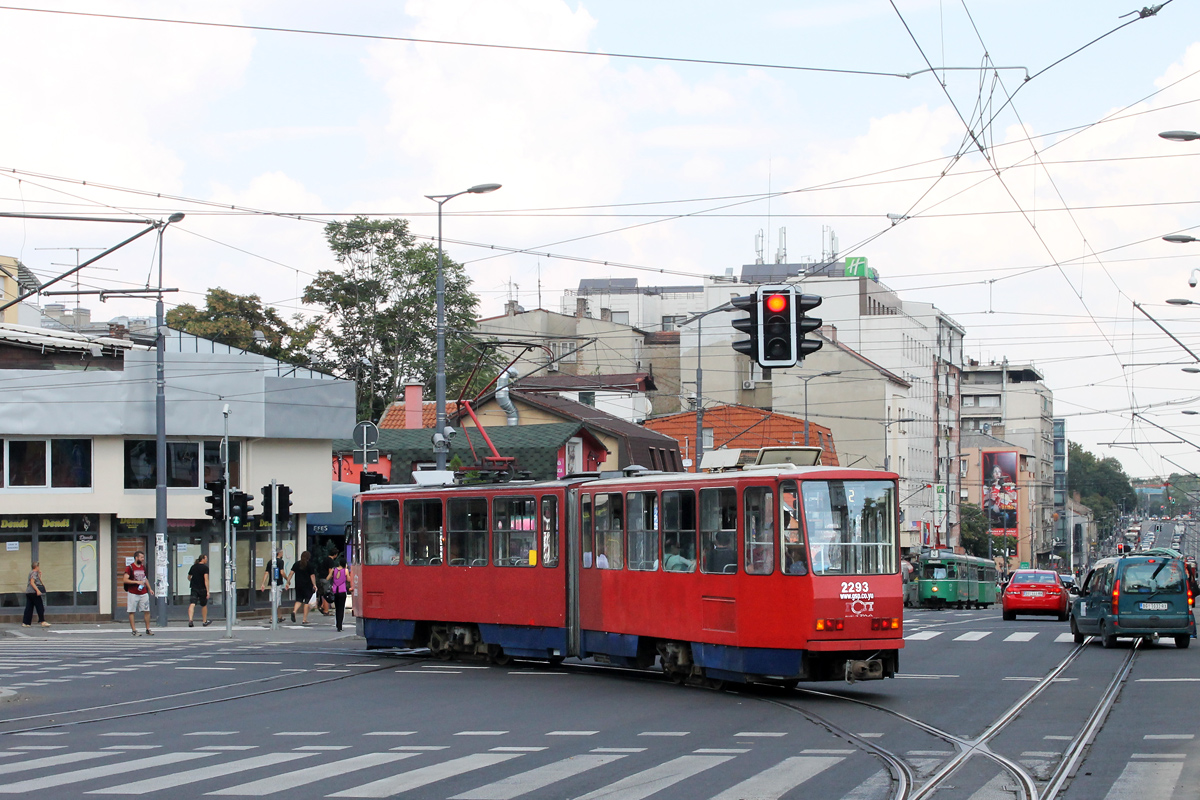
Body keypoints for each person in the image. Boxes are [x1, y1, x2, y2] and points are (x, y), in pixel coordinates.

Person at [124, 550, 155, 636]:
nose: (142, 559)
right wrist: (136, 582)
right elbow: (125, 579)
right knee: (132, 611)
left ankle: (148, 628)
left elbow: (145, 579)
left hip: (143, 592)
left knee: (147, 610)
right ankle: (134, 630)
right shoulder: (130, 567)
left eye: (143, 557)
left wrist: (150, 589)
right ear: (136, 558)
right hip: (133, 592)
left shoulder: (143, 567)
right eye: (141, 557)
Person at [259, 548, 289, 624]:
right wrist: (287, 579)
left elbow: (266, 573)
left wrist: (263, 583)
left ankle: (279, 616)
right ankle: (272, 617)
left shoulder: (270, 562)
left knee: (277, 600)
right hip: (278, 583)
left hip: (272, 583)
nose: (282, 554)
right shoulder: (280, 561)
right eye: (282, 552)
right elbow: (282, 572)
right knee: (276, 600)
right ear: (279, 553)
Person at [287, 551, 316, 625]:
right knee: (306, 601)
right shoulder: (310, 565)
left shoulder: (296, 564)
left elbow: (291, 573)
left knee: (299, 600)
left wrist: (288, 581)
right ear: (308, 557)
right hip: (307, 585)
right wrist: (314, 584)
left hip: (298, 585)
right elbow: (312, 576)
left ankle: (294, 611)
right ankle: (304, 619)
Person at [186, 554, 211, 628]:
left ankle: (190, 620)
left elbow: (189, 576)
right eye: (206, 558)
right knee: (203, 605)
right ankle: (204, 621)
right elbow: (206, 579)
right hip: (202, 588)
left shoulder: (193, 567)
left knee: (192, 603)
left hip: (194, 588)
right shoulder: (205, 568)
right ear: (202, 559)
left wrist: (192, 581)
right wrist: (208, 591)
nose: (207, 560)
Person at [22, 561, 49, 628]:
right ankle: (42, 621)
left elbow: (38, 581)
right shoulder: (34, 573)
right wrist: (37, 590)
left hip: (29, 592)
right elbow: (32, 582)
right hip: (33, 592)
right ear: (36, 567)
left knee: (29, 607)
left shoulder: (32, 573)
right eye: (38, 566)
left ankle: (26, 622)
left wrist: (40, 576)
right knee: (40, 606)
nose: (39, 568)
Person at [330, 556, 353, 632]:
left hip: (335, 591)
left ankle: (337, 624)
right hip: (342, 591)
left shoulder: (334, 569)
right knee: (341, 608)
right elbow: (349, 580)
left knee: (337, 608)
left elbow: (328, 578)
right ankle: (340, 626)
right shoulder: (345, 570)